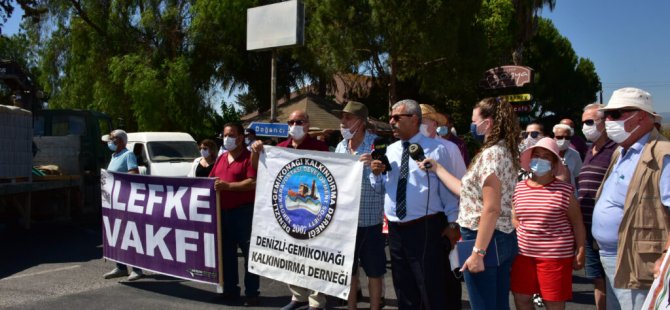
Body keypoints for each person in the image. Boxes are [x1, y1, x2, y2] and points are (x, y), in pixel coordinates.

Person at [419, 97, 521, 309]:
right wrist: (437, 168)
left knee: (484, 305)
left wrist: (478, 253)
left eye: (475, 121)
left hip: (484, 238)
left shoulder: (492, 154)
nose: (472, 125)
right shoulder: (503, 150)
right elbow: (466, 192)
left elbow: (491, 208)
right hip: (498, 237)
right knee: (497, 303)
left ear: (489, 123)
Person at [369, 99, 457, 310]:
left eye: (397, 117)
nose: (391, 121)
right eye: (390, 117)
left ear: (414, 119)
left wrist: (454, 223)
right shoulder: (389, 150)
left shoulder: (436, 149)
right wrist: (375, 174)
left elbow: (448, 189)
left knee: (431, 288)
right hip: (396, 230)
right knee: (404, 288)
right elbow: (381, 188)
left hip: (425, 228)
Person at [591, 87, 670, 310]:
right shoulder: (620, 151)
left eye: (616, 114)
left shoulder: (662, 154)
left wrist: (666, 257)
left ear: (642, 116)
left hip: (638, 260)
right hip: (610, 255)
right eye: (607, 114)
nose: (608, 120)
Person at [252, 110, 329, 310]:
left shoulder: (320, 148)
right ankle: (297, 296)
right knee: (291, 255)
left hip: (314, 211)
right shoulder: (278, 149)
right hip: (289, 211)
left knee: (315, 257)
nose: (294, 125)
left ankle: (316, 301)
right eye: (291, 121)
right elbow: (259, 171)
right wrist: (256, 151)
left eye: (299, 121)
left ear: (307, 124)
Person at [510, 137, 586, 309]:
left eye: (546, 156)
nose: (540, 160)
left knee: (553, 302)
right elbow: (515, 216)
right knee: (521, 298)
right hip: (522, 255)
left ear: (553, 162)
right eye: (537, 155)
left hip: (555, 257)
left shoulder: (565, 190)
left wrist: (581, 251)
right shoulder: (519, 188)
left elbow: (577, 223)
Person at [333, 101, 386, 310]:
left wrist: (375, 169)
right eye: (342, 118)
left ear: (361, 122)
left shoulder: (378, 145)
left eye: (348, 118)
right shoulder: (339, 146)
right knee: (349, 271)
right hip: (345, 222)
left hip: (370, 220)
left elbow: (385, 186)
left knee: (374, 272)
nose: (343, 122)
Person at [419, 104, 467, 308]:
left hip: (445, 220)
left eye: (422, 120)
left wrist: (454, 223)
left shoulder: (449, 148)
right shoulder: (406, 147)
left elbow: (461, 184)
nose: (418, 124)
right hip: (419, 223)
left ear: (434, 123)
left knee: (448, 276)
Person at [209, 122, 260, 306]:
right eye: (224, 135)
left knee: (249, 255)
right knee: (227, 255)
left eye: (231, 135)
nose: (226, 138)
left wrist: (228, 186)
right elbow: (211, 180)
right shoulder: (222, 158)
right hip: (223, 213)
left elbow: (253, 182)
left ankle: (252, 292)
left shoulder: (248, 157)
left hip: (244, 213)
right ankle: (230, 290)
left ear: (240, 138)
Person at [577, 103, 618, 310]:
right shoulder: (589, 150)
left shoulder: (616, 149)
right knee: (598, 281)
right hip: (589, 229)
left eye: (590, 122)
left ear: (604, 123)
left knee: (614, 282)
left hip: (610, 231)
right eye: (583, 122)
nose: (585, 126)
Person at [102, 129, 143, 281]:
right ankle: (121, 267)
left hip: (125, 200)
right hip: (113, 201)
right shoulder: (114, 156)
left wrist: (117, 179)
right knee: (117, 233)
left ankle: (137, 269)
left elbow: (134, 173)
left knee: (130, 234)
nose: (109, 141)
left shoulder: (128, 155)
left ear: (120, 140)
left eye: (112, 138)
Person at [553, 123, 582, 188]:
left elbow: (578, 177)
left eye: (567, 137)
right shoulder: (547, 153)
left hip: (569, 195)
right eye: (560, 137)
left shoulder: (575, 155)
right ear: (554, 137)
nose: (563, 140)